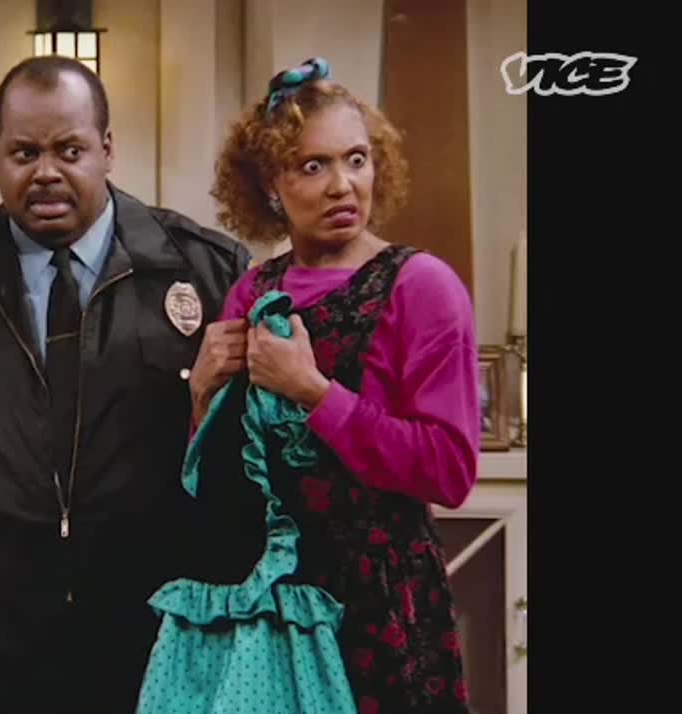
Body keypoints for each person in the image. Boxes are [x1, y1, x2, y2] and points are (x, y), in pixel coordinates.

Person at [0, 56, 251, 714]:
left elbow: (248, 464)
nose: (46, 172)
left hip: (157, 646)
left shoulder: (205, 272)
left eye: (69, 150)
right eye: (24, 152)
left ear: (107, 149)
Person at [186, 58, 478, 713]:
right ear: (270, 184)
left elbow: (450, 470)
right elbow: (225, 483)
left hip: (381, 608)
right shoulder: (251, 292)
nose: (342, 185)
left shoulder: (422, 286)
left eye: (356, 160)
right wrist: (201, 396)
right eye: (312, 166)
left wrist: (315, 393)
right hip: (272, 605)